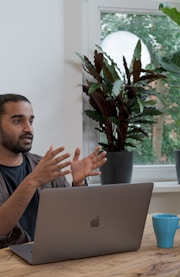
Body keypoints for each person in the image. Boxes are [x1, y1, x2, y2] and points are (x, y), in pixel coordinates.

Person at [0, 94, 107, 247]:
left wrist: (78, 184)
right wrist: (32, 181)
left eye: (31, 121)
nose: (28, 128)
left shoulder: (45, 166)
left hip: (51, 253)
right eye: (18, 121)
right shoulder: (42, 171)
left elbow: (73, 218)